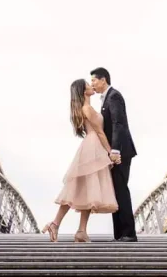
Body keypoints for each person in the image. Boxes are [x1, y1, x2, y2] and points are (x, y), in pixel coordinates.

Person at [43, 79, 118, 243]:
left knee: (87, 189)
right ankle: (56, 224)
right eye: (88, 84)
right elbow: (99, 132)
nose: (91, 86)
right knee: (79, 187)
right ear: (83, 91)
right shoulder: (87, 109)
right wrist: (109, 152)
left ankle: (80, 231)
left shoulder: (86, 108)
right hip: (94, 147)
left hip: (90, 147)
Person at [90, 67, 137, 242]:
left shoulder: (114, 96)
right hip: (114, 152)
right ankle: (120, 233)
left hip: (121, 151)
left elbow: (119, 124)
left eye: (94, 80)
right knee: (116, 189)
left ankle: (128, 233)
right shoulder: (106, 99)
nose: (92, 84)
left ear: (103, 80)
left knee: (121, 189)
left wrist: (115, 151)